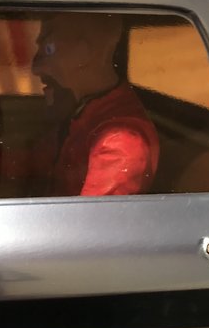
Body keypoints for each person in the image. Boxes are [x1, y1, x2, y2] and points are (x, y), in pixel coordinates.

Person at [31, 13, 159, 197]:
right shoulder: (85, 110)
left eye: (49, 49)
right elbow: (38, 158)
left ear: (82, 54)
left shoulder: (119, 142)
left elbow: (91, 215)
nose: (35, 68)